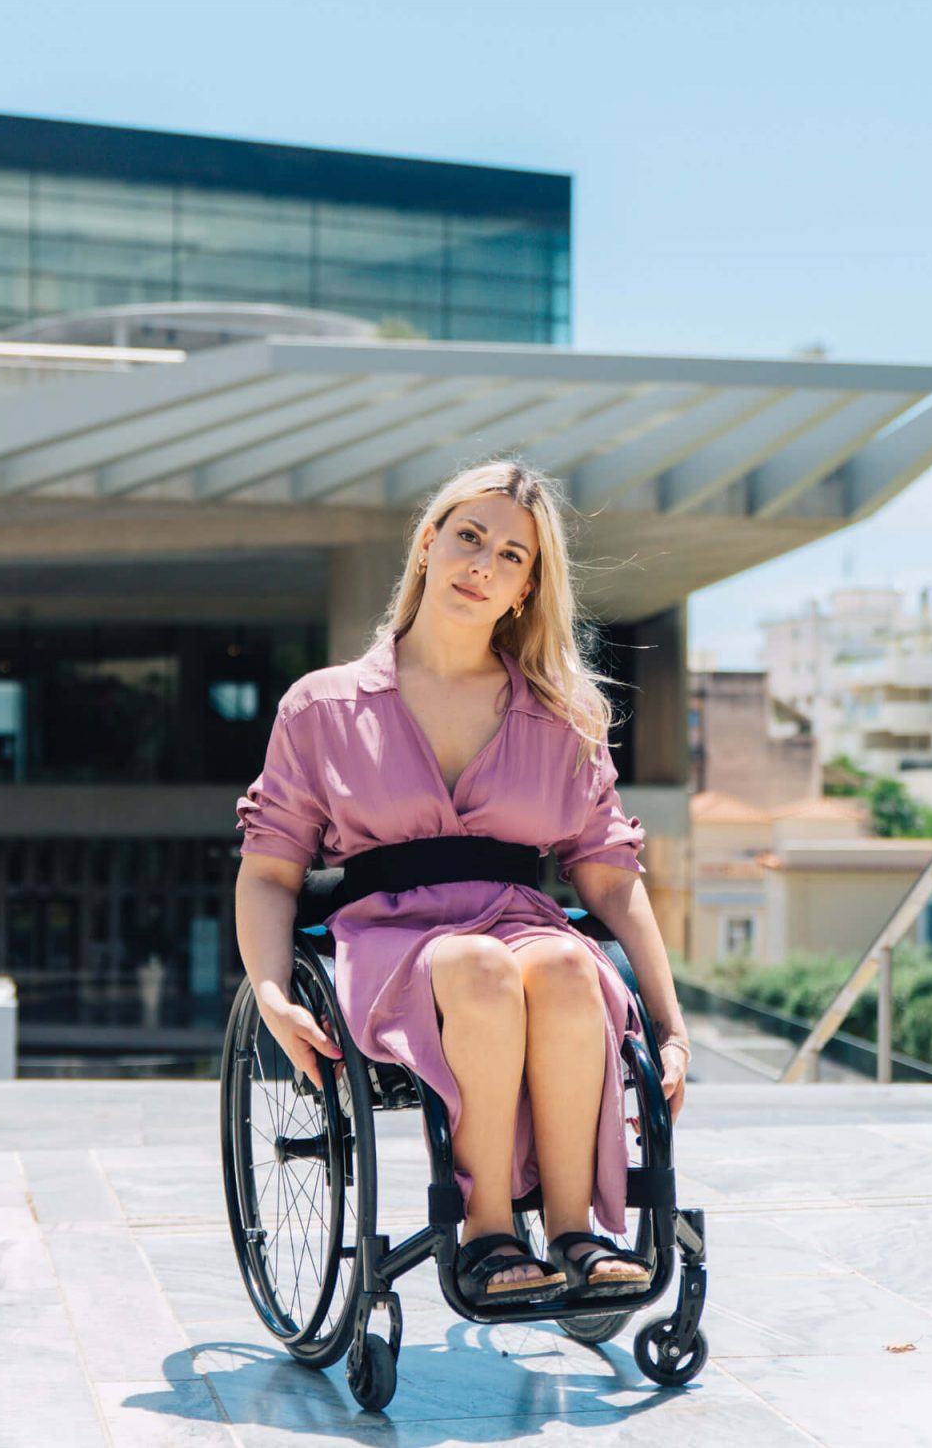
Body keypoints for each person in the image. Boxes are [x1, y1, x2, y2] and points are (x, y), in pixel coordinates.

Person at [233, 461, 693, 1310]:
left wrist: (669, 1023)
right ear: (427, 545)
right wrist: (270, 992)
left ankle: (576, 1228)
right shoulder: (323, 707)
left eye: (511, 555)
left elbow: (613, 881)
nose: (483, 563)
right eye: (469, 537)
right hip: (390, 938)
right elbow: (269, 870)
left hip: (522, 926)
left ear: (525, 589)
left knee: (563, 966)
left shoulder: (561, 716)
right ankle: (485, 1227)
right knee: (481, 966)